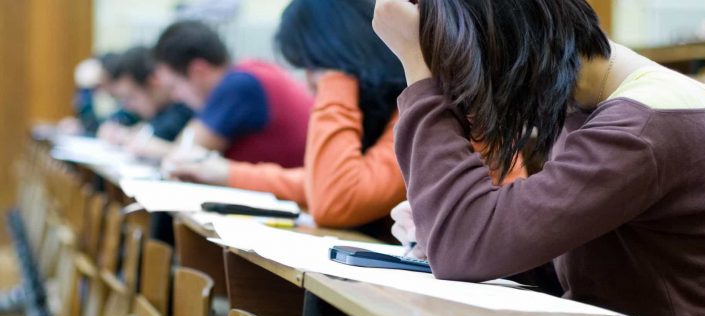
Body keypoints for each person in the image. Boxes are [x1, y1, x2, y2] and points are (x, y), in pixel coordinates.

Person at [375, 0, 705, 316]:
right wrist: (447, 225)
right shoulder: (595, 105)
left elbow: (463, 244)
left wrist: (418, 68)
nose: (471, 99)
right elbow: (590, 265)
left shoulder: (644, 124)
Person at [169, 0, 525, 233]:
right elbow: (329, 184)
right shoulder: (399, 102)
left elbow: (336, 200)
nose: (309, 82)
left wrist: (335, 78)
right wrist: (228, 173)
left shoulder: (437, 99)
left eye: (310, 66)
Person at [152, 20, 312, 166]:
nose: (176, 97)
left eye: (174, 86)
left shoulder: (238, 85)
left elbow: (182, 156)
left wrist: (146, 146)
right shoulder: (251, 70)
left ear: (198, 71)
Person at [103, 46, 194, 157]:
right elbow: (120, 119)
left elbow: (155, 136)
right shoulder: (156, 109)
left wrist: (128, 136)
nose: (128, 106)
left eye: (132, 97)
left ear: (153, 81)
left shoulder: (184, 108)